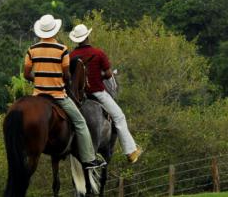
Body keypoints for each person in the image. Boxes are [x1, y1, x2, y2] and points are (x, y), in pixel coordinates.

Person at [23, 15, 106, 170]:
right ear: (55, 31)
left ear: (40, 32)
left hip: (38, 96)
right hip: (58, 96)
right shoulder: (62, 50)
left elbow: (26, 75)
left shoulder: (31, 50)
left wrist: (40, 79)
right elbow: (67, 76)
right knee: (80, 123)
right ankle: (89, 159)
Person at [69, 24, 143, 164]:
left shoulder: (71, 56)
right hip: (96, 93)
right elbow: (109, 74)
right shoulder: (98, 53)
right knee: (119, 117)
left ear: (76, 40)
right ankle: (130, 152)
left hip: (77, 97)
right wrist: (98, 76)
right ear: (88, 36)